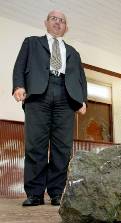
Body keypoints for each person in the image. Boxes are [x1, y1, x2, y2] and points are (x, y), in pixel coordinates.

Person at [12, 10, 87, 206]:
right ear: (45, 22)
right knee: (35, 144)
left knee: (62, 148)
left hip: (66, 95)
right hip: (38, 94)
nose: (57, 22)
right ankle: (35, 194)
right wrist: (19, 85)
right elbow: (20, 65)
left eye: (62, 20)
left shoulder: (73, 52)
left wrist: (82, 100)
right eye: (54, 19)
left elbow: (81, 78)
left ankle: (56, 192)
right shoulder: (31, 42)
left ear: (66, 27)